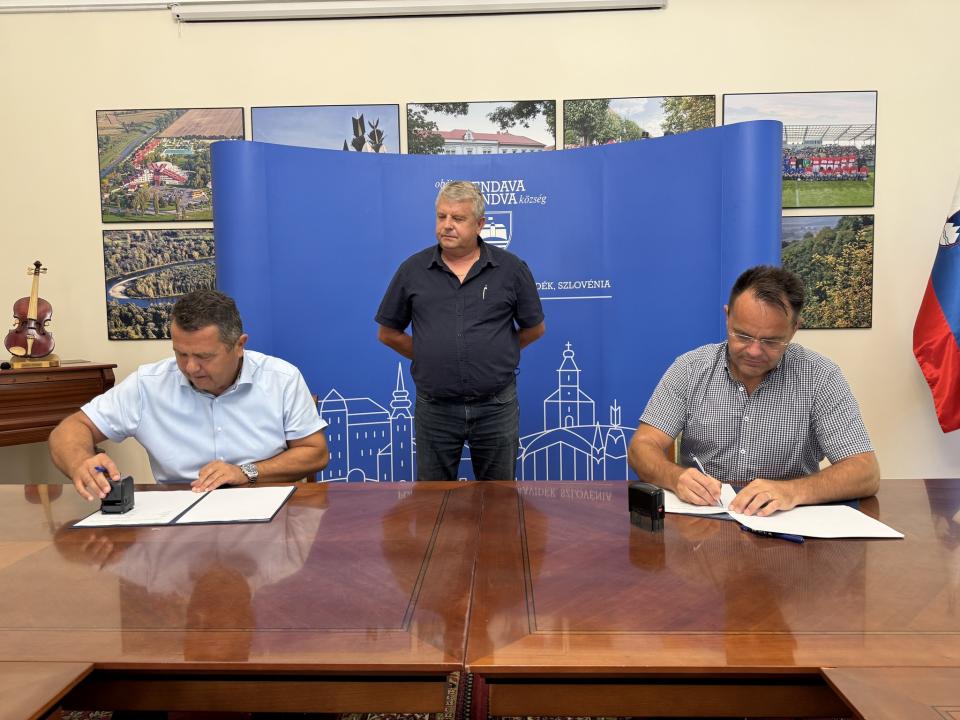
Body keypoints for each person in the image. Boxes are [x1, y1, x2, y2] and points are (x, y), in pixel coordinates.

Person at [628, 265, 879, 516]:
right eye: (743, 335)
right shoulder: (690, 369)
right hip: (704, 521)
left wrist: (793, 491)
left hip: (786, 523)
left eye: (771, 341)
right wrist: (675, 477)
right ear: (728, 317)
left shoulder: (820, 377)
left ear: (794, 329)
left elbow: (865, 471)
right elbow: (642, 447)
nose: (754, 351)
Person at [50, 289, 329, 499]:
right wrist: (80, 462)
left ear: (239, 345)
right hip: (178, 518)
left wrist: (246, 472)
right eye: (181, 354)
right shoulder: (149, 384)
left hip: (267, 511)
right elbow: (70, 429)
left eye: (204, 356)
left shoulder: (281, 379)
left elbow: (315, 453)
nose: (190, 368)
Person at [376, 180, 545, 480]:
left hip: (496, 407)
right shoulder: (412, 270)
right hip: (435, 408)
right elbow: (388, 333)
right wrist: (428, 353)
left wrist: (499, 351)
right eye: (441, 216)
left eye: (458, 218)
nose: (447, 225)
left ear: (479, 224)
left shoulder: (511, 269)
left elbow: (534, 328)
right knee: (433, 500)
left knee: (498, 498)